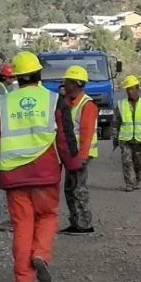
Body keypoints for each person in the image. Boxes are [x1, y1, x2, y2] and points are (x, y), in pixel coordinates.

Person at [0, 50, 81, 282]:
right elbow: (66, 140)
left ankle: (23, 280)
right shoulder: (53, 101)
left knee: (22, 225)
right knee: (47, 217)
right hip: (45, 174)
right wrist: (74, 167)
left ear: (17, 77)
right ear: (39, 74)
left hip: (13, 175)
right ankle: (40, 255)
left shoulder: (3, 103)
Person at [59, 65, 97, 234]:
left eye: (66, 82)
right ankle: (76, 221)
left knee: (78, 188)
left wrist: (81, 157)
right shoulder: (69, 102)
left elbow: (87, 133)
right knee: (70, 188)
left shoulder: (87, 105)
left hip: (81, 155)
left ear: (75, 83)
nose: (64, 85)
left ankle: (84, 224)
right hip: (72, 154)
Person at [113, 75, 141, 191]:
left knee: (139, 163)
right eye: (128, 89)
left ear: (138, 89)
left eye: (132, 89)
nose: (130, 92)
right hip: (125, 139)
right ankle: (129, 184)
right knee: (127, 161)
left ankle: (137, 179)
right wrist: (115, 137)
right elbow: (116, 122)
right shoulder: (121, 105)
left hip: (140, 139)